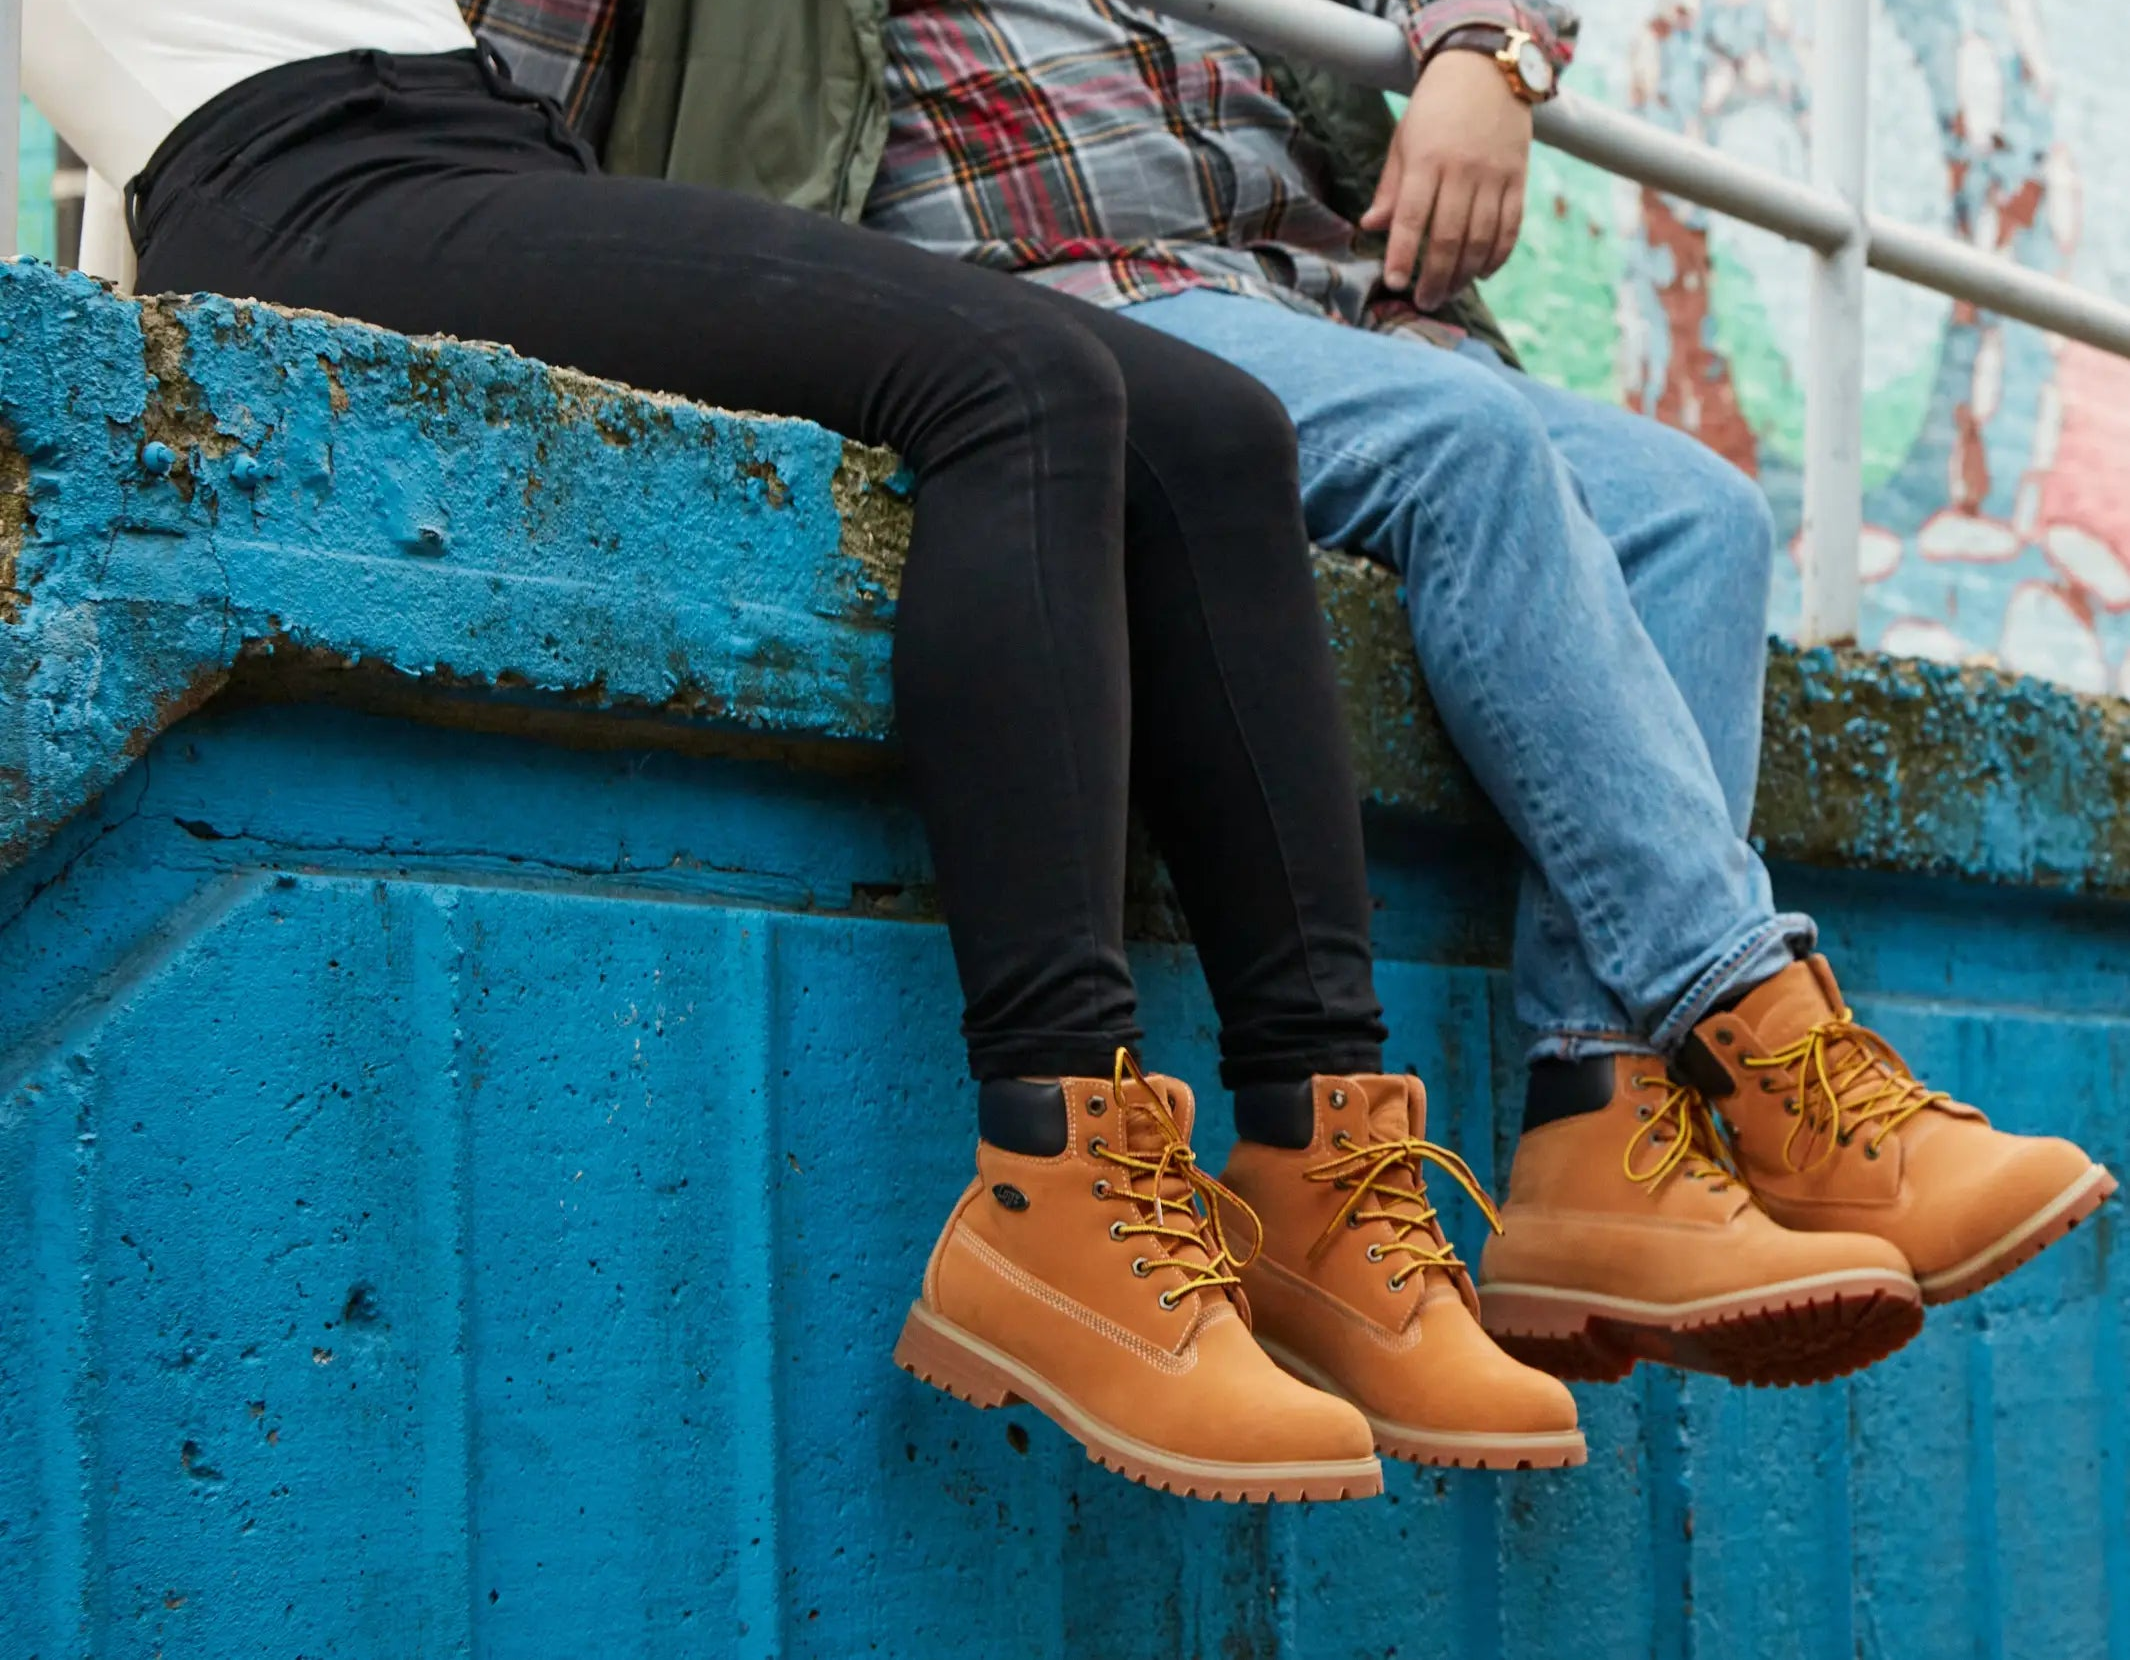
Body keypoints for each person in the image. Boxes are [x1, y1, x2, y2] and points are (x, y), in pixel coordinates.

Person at [25, 0, 1597, 1504]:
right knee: (1024, 384)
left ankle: (1316, 1159)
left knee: (1211, 428)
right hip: (296, 177)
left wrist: (1488, 46)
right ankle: (1052, 1172)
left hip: (489, 145)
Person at [607, 0, 2114, 1394]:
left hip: (1321, 302)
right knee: (1461, 449)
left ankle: (1602, 1131)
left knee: (1694, 514)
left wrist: (1487, 51)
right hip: (1047, 298)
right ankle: (1756, 1029)